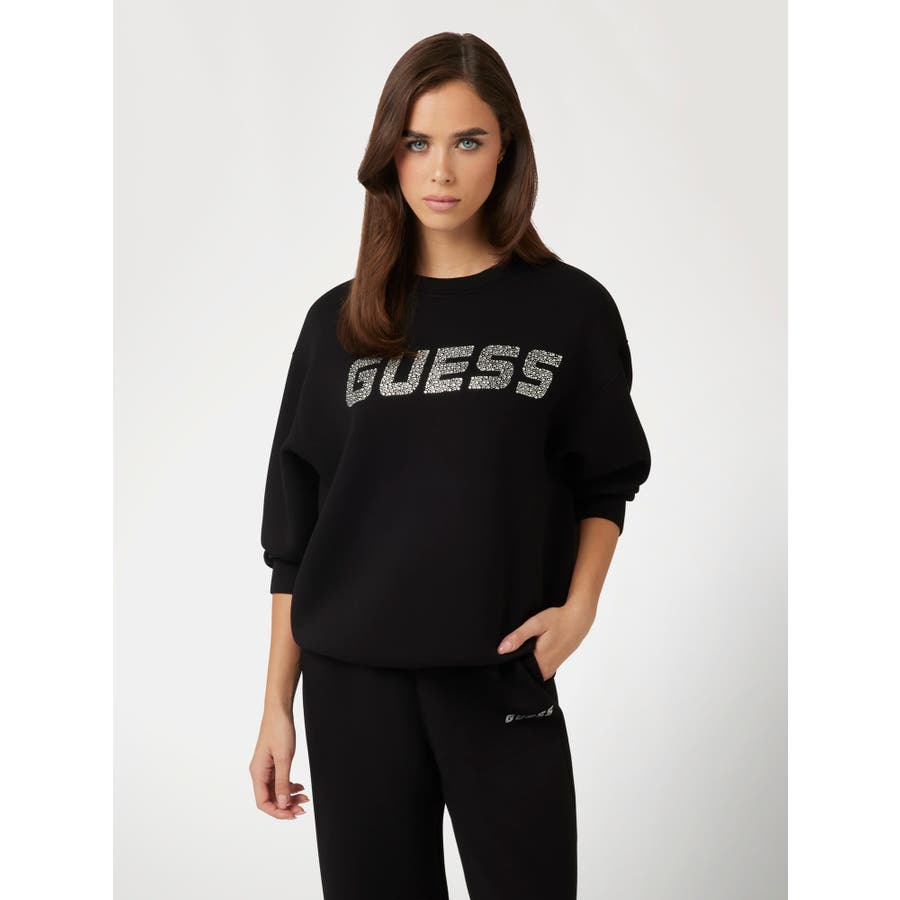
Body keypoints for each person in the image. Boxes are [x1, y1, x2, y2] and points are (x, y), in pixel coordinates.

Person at [248, 31, 652, 900]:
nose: (440, 170)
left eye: (468, 141)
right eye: (417, 142)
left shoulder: (571, 311)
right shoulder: (337, 325)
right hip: (352, 684)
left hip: (500, 672)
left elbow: (606, 480)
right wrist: (276, 707)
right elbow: (295, 538)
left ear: (506, 149)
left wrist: (578, 612)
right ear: (389, 154)